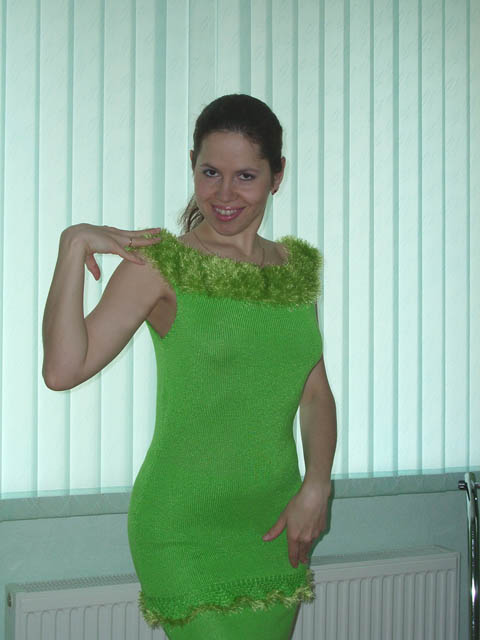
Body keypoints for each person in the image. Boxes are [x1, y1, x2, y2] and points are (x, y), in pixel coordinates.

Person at [42, 93, 337, 640]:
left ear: (277, 176)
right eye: (210, 172)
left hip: (274, 523)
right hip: (182, 529)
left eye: (245, 176)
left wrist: (316, 484)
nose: (223, 195)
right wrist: (72, 246)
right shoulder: (161, 265)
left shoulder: (295, 271)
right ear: (193, 166)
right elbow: (63, 369)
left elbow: (314, 392)